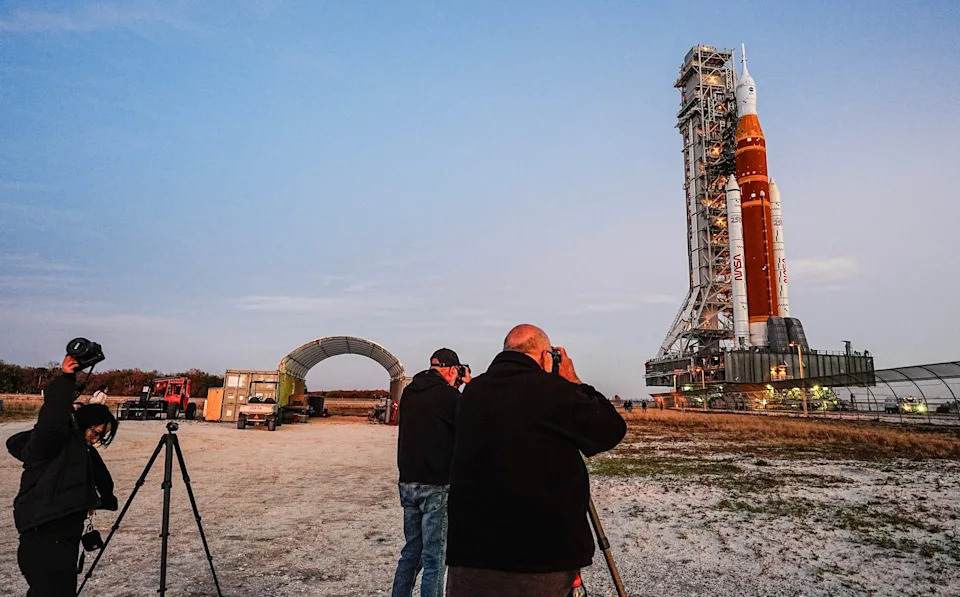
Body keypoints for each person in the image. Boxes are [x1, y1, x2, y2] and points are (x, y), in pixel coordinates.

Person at [446, 324, 626, 597]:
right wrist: (572, 379)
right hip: (540, 560)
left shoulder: (471, 393)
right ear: (545, 357)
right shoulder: (554, 391)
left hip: (471, 557)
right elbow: (610, 429)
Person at [7, 354, 119, 596]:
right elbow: (51, 419)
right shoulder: (55, 442)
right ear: (85, 423)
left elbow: (102, 482)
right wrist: (67, 379)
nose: (97, 440)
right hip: (44, 538)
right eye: (97, 433)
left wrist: (103, 501)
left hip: (64, 539)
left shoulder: (82, 451)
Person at [391, 348, 471, 597]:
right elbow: (472, 419)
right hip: (436, 484)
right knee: (435, 557)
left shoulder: (410, 393)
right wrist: (467, 384)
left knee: (412, 552)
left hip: (408, 482)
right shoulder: (449, 397)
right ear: (451, 369)